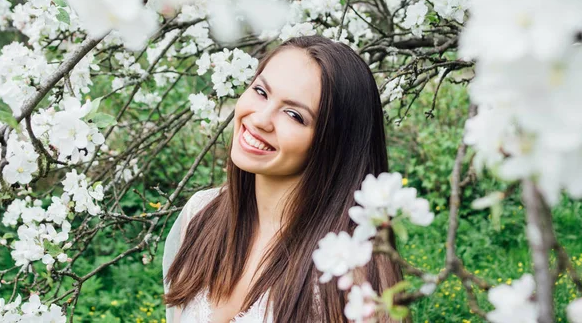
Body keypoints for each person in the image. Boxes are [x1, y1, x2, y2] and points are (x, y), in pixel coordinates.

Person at [162, 36, 404, 322]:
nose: (260, 119)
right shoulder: (201, 214)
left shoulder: (349, 270)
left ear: (335, 143)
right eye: (261, 91)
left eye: (293, 115)